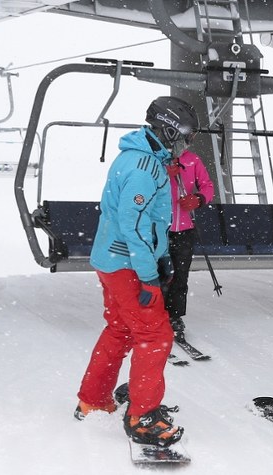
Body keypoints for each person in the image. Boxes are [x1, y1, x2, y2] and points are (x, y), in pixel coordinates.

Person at [74, 96, 199, 447]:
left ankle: (93, 398)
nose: (187, 144)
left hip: (114, 261)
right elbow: (135, 226)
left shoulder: (137, 158)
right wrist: (149, 273)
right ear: (169, 130)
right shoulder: (146, 168)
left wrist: (158, 257)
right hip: (128, 264)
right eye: (185, 136)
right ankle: (143, 416)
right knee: (155, 335)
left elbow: (139, 224)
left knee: (120, 329)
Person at [164, 149, 215, 338]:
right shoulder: (154, 157)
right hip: (159, 228)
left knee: (180, 275)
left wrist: (198, 199)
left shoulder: (192, 159)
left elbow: (207, 186)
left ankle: (174, 315)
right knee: (157, 274)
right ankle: (153, 314)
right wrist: (162, 174)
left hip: (185, 228)